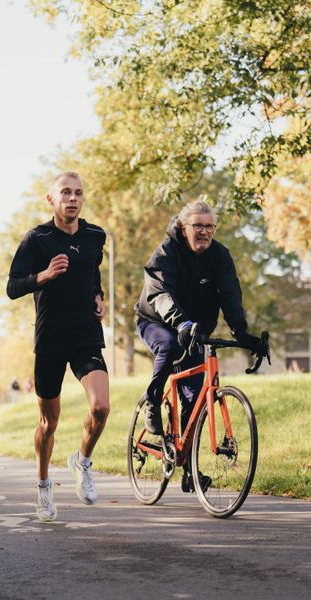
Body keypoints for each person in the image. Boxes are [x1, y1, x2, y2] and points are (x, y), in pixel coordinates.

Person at [135, 197, 266, 492]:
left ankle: (190, 467)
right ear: (184, 227)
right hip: (157, 321)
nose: (205, 232)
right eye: (198, 226)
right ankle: (154, 400)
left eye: (210, 227)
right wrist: (180, 322)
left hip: (195, 331)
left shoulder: (220, 255)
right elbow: (160, 294)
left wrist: (243, 334)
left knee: (196, 400)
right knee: (168, 347)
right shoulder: (166, 252)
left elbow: (230, 295)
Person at [6, 171, 110, 522]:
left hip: (85, 334)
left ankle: (82, 460)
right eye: (65, 192)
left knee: (101, 408)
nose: (72, 198)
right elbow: (12, 286)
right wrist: (44, 276)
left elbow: (92, 272)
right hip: (50, 337)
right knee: (49, 422)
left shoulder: (96, 236)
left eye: (78, 193)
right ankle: (43, 485)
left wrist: (99, 296)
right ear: (51, 199)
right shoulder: (37, 239)